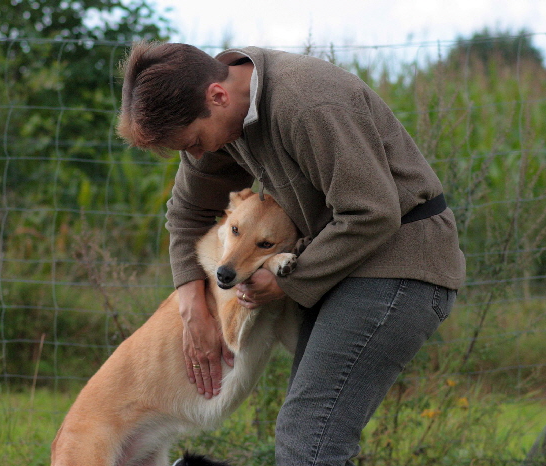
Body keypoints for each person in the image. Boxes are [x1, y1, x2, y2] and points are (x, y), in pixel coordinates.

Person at [117, 41, 466, 466]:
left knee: (309, 436)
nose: (195, 155)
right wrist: (193, 307)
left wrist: (284, 281)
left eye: (192, 141)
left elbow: (372, 212)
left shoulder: (306, 104)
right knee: (310, 433)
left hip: (400, 265)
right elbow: (189, 210)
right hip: (343, 268)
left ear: (218, 96)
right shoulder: (224, 118)